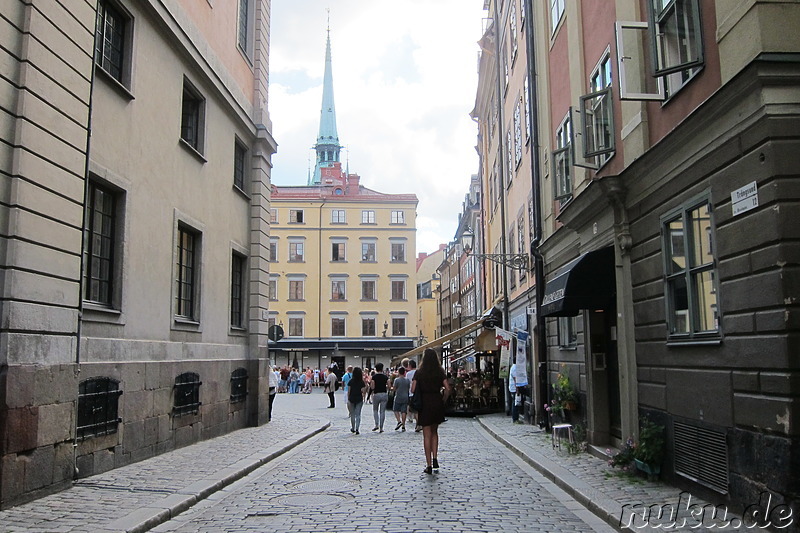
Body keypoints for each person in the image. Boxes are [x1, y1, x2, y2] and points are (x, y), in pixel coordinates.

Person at [411, 348, 451, 474]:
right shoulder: (440, 371)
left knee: (426, 434)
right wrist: (443, 399)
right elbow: (448, 388)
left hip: (425, 403)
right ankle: (435, 458)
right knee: (435, 432)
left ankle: (428, 464)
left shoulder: (419, 372)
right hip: (436, 402)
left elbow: (413, 389)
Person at [370, 363, 389, 432]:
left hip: (376, 394)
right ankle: (381, 427)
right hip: (384, 394)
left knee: (375, 410)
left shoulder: (374, 377)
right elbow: (389, 386)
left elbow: (372, 387)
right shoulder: (385, 377)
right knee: (382, 411)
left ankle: (376, 424)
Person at [347, 367, 367, 434]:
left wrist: (348, 398)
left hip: (352, 398)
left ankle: (353, 428)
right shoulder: (361, 382)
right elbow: (364, 391)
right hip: (359, 398)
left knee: (352, 414)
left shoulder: (351, 381)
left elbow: (349, 391)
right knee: (358, 414)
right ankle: (357, 428)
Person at [391, 366, 410, 431]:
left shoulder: (397, 380)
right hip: (406, 396)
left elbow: (394, 389)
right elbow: (408, 388)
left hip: (398, 396)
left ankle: (399, 421)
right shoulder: (407, 380)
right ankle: (403, 425)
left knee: (395, 410)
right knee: (404, 411)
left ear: (399, 372)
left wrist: (390, 388)